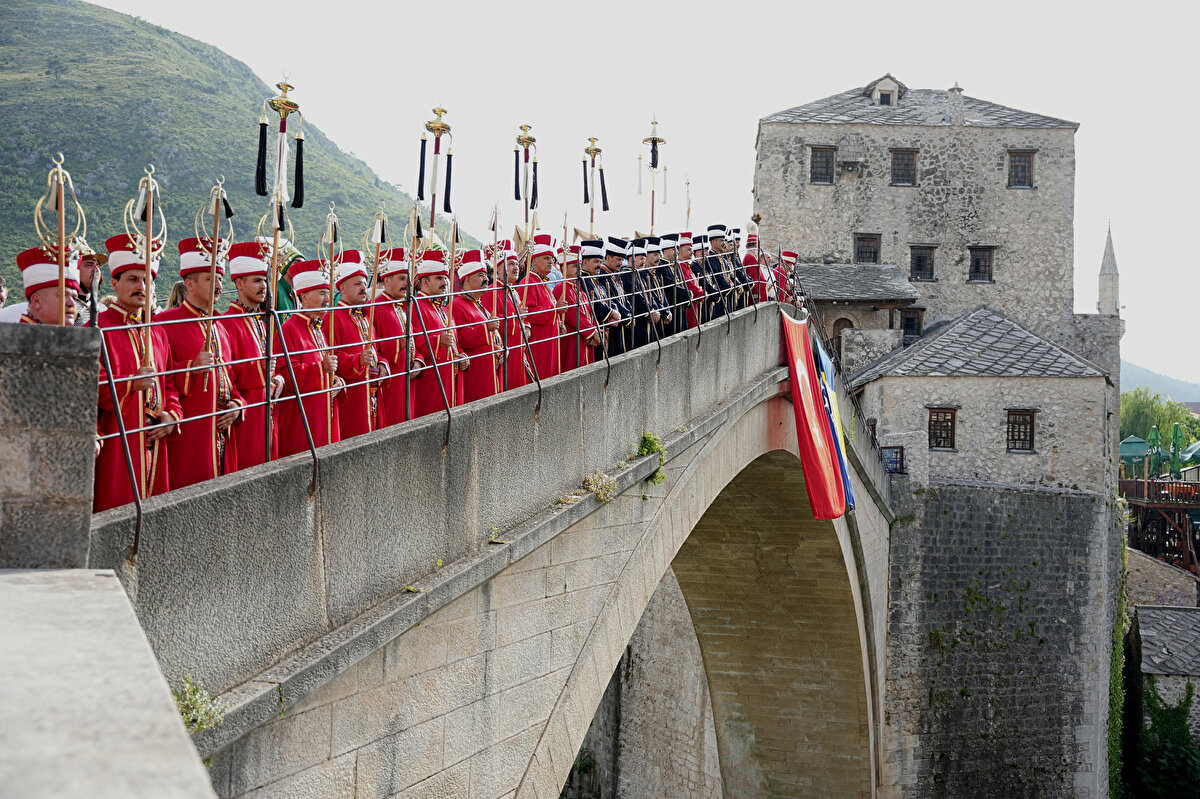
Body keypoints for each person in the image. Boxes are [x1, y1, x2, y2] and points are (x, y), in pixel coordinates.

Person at [94, 234, 180, 512]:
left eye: (147, 280)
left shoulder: (157, 330)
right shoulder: (97, 330)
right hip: (119, 439)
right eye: (132, 279)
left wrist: (172, 415)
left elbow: (169, 385)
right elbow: (88, 390)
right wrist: (131, 384)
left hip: (157, 439)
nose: (141, 287)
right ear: (114, 283)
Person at [156, 238, 245, 487]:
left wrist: (237, 406)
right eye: (210, 279)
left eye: (219, 278)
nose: (218, 286)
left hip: (223, 434)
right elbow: (160, 380)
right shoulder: (165, 323)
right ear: (189, 284)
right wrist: (191, 369)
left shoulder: (221, 327)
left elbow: (232, 381)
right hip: (190, 436)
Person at [220, 241, 285, 468]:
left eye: (265, 280)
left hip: (266, 411)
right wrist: (262, 370)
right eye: (257, 280)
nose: (264, 286)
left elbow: (273, 367)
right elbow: (228, 375)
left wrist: (277, 378)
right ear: (238, 283)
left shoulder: (263, 320)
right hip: (245, 418)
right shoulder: (226, 323)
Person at [276, 259, 343, 454]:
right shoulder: (288, 330)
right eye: (322, 293)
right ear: (304, 297)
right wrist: (321, 369)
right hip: (302, 416)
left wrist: (337, 380)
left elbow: (329, 366)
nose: (327, 299)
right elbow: (286, 374)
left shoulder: (319, 328)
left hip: (324, 412)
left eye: (328, 293)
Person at [329, 250, 386, 440]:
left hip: (371, 391)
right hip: (352, 396)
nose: (363, 288)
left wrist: (382, 364)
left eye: (364, 283)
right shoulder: (332, 318)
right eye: (357, 284)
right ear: (342, 289)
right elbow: (332, 356)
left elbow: (376, 351)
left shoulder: (365, 316)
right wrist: (357, 359)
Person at [411, 249, 464, 416]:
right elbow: (415, 344)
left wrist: (461, 354)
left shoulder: (441, 308)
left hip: (449, 376)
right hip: (430, 381)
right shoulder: (416, 307)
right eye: (439, 278)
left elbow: (455, 342)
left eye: (446, 279)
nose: (445, 283)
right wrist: (437, 341)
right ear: (425, 282)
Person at [372, 247, 418, 427]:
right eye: (401, 278)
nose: (407, 283)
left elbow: (415, 342)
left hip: (407, 378)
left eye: (408, 278)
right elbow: (374, 349)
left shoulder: (403, 306)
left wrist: (418, 361)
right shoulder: (374, 307)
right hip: (390, 382)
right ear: (386, 280)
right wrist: (399, 345)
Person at [452, 249, 500, 403]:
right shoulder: (457, 305)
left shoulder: (478, 304)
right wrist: (487, 328)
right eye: (480, 275)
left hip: (488, 368)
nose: (486, 279)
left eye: (486, 275)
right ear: (467, 280)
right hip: (475, 372)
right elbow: (462, 337)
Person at [483, 241, 528, 391]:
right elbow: (492, 326)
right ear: (500, 269)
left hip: (519, 348)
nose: (516, 268)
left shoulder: (514, 291)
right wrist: (516, 316)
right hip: (506, 350)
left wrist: (527, 326)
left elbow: (523, 318)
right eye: (511, 264)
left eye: (516, 264)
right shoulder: (491, 292)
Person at [518, 233, 564, 379]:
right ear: (534, 260)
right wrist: (555, 310)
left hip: (549, 341)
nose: (551, 261)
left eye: (552, 258)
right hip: (539, 344)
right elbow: (529, 313)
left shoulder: (541, 282)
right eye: (546, 258)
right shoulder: (528, 282)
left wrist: (559, 321)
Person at [552, 244, 601, 372]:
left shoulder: (580, 291)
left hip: (585, 338)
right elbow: (574, 315)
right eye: (574, 266)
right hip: (572, 341)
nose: (578, 269)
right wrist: (592, 333)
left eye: (579, 265)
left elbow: (589, 314)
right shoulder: (561, 289)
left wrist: (594, 329)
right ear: (563, 269)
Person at [13, 246, 81, 325]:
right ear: (36, 301)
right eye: (63, 295)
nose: (71, 303)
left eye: (74, 298)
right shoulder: (18, 336)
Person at [599, 237, 632, 358]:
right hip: (615, 323)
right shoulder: (602, 275)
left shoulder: (614, 274)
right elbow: (612, 299)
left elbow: (624, 297)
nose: (620, 263)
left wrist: (629, 311)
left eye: (622, 259)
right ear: (608, 257)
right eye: (618, 259)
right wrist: (627, 315)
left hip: (622, 320)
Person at [675, 233, 704, 330]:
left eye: (691, 249)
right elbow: (689, 284)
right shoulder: (680, 266)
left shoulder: (686, 266)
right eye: (689, 249)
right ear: (680, 251)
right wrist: (701, 293)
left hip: (695, 305)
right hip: (689, 307)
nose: (692, 252)